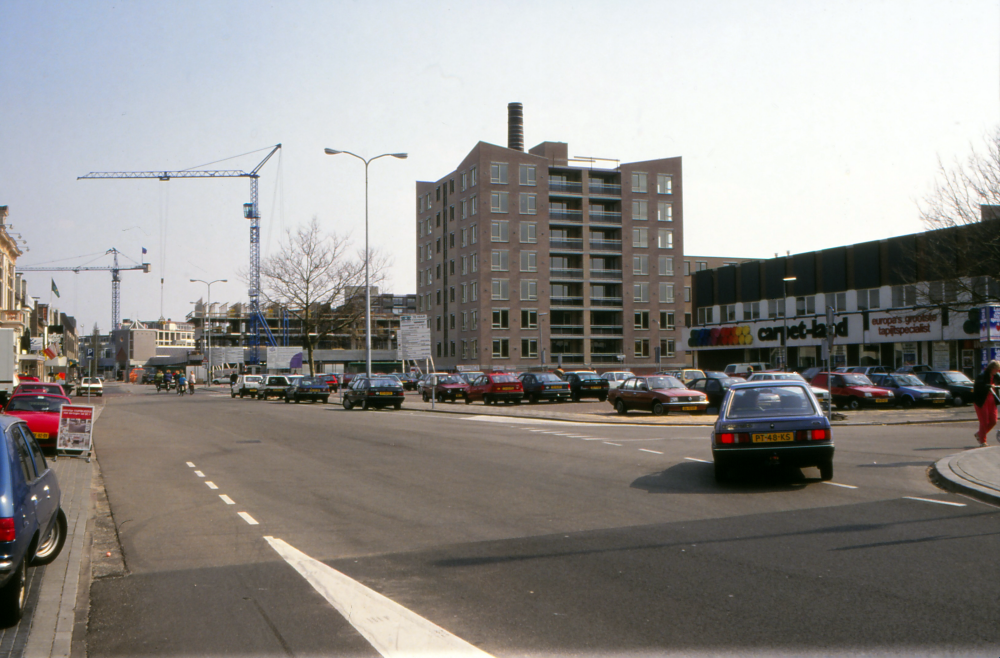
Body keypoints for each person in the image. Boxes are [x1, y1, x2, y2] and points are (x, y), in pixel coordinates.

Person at [972, 359, 1000, 447]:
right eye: (996, 369)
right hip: (982, 400)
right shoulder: (982, 376)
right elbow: (979, 386)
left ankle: (979, 434)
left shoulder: (996, 376)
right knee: (984, 421)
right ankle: (982, 441)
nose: (997, 371)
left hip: (992, 401)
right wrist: (988, 386)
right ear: (992, 368)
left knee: (993, 420)